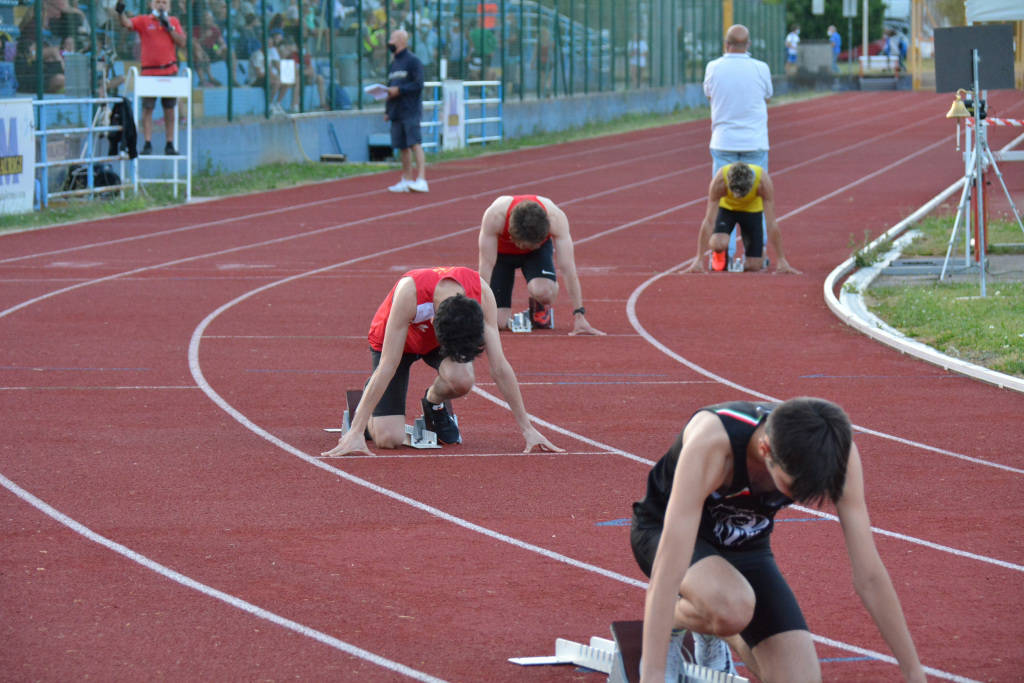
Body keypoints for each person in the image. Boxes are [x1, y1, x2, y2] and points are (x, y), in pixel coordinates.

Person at [631, 398, 927, 683]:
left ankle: (713, 625)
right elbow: (669, 569)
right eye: (791, 486)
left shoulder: (837, 453)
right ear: (765, 449)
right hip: (662, 531)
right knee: (731, 606)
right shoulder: (713, 443)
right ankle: (675, 621)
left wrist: (914, 674)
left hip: (744, 542)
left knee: (800, 678)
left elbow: (870, 576)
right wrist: (653, 676)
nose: (793, 497)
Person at [321, 266, 562, 457]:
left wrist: (528, 429)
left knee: (463, 378)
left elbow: (499, 366)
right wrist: (354, 433)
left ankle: (433, 404)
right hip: (397, 344)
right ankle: (364, 408)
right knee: (388, 439)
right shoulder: (410, 292)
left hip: (437, 340)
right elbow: (388, 365)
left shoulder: (480, 292)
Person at [477, 194, 604, 335]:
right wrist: (478, 315)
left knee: (544, 292)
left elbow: (568, 268)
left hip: (536, 254)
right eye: (522, 245)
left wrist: (579, 314)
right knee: (498, 322)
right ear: (512, 237)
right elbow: (486, 268)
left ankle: (541, 304)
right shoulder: (494, 217)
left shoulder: (555, 218)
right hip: (501, 254)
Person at [702, 24, 773, 268]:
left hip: (724, 141)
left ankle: (721, 255)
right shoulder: (760, 68)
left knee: (722, 198)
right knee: (759, 198)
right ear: (749, 45)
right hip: (755, 142)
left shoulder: (713, 67)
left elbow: (709, 95)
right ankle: (758, 254)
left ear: (726, 44)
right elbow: (767, 96)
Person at [685, 162, 798, 274]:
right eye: (735, 193)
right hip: (727, 209)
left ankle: (760, 254)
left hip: (752, 211)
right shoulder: (720, 181)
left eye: (743, 194)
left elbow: (771, 223)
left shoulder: (762, 182)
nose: (739, 198)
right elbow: (709, 221)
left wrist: (781, 259)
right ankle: (719, 255)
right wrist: (699, 260)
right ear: (728, 184)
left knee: (754, 266)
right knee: (717, 243)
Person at [116, 0, 187, 155]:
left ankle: (169, 143)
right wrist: (120, 13)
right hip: (149, 72)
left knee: (169, 109)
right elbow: (127, 24)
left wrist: (169, 26)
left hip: (168, 71)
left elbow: (182, 41)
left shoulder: (173, 21)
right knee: (147, 108)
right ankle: (147, 142)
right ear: (151, 4)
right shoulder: (143, 20)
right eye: (157, 2)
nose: (161, 5)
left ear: (168, 5)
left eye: (164, 2)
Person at [385, 29, 428, 193]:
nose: (390, 42)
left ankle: (422, 179)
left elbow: (418, 84)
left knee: (415, 143)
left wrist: (400, 90)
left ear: (402, 41)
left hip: (410, 109)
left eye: (392, 39)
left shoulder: (413, 61)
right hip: (396, 111)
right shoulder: (393, 63)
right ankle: (407, 178)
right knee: (402, 146)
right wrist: (387, 110)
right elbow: (389, 87)